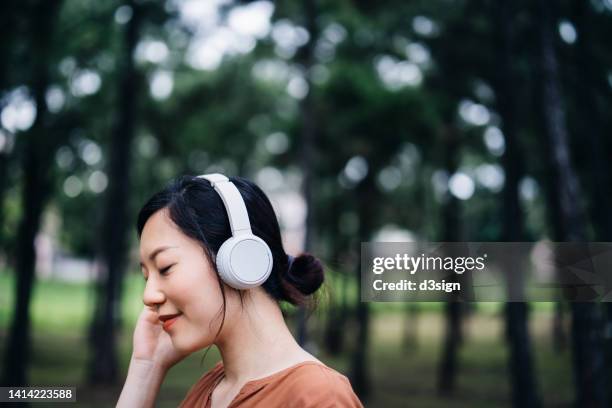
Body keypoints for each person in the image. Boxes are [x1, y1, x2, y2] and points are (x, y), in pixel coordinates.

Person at [117, 174, 363, 408]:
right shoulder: (209, 391)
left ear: (240, 259)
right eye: (146, 277)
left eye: (165, 267)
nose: (148, 296)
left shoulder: (318, 397)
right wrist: (146, 367)